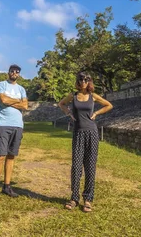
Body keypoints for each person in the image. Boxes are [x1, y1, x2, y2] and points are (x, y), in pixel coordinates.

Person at [58, 71, 113, 212]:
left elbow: (108, 105)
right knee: (76, 166)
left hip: (92, 132)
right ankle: (74, 198)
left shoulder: (92, 96)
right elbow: (62, 104)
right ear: (78, 81)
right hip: (78, 133)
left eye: (86, 79)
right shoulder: (73, 96)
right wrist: (69, 113)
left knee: (90, 166)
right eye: (81, 79)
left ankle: (88, 199)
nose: (83, 81)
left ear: (89, 81)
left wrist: (96, 113)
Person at [0, 64, 28, 203]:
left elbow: (25, 106)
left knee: (11, 156)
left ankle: (7, 186)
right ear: (8, 72)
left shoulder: (21, 88)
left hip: (18, 125)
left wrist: (11, 101)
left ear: (19, 74)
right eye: (12, 71)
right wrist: (18, 101)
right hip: (3, 124)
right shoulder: (1, 84)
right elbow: (3, 100)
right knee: (0, 156)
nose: (14, 73)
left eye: (17, 72)